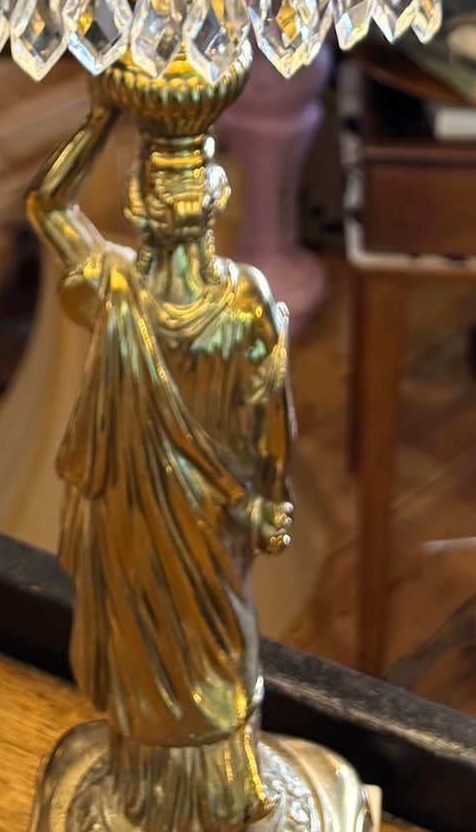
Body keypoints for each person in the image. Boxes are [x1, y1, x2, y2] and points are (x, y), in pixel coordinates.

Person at [29, 95, 292, 832]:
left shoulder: (218, 298)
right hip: (156, 509)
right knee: (168, 652)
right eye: (165, 185)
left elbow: (272, 411)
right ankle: (162, 796)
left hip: (196, 510)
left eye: (182, 185)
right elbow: (46, 205)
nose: (175, 203)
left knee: (206, 650)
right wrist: (98, 116)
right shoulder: (131, 286)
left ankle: (208, 795)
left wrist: (272, 496)